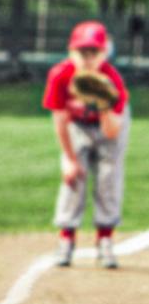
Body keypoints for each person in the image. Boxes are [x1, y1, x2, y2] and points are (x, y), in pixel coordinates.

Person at [42, 20, 130, 269]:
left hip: (109, 126)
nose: (88, 58)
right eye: (82, 52)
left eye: (94, 52)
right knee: (73, 179)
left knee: (108, 178)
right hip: (76, 127)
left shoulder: (112, 81)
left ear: (104, 53)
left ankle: (105, 242)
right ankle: (66, 241)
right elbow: (60, 119)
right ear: (71, 51)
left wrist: (102, 104)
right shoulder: (60, 75)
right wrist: (69, 159)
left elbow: (113, 131)